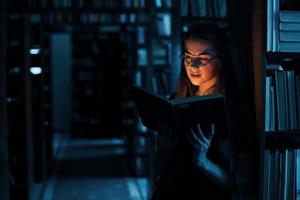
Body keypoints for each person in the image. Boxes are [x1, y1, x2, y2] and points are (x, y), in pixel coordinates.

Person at [151, 23, 258, 200]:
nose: (193, 65)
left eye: (203, 58)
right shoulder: (175, 102)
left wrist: (203, 162)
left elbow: (243, 185)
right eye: (188, 57)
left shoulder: (237, 110)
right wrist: (163, 149)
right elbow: (158, 168)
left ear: (221, 59)